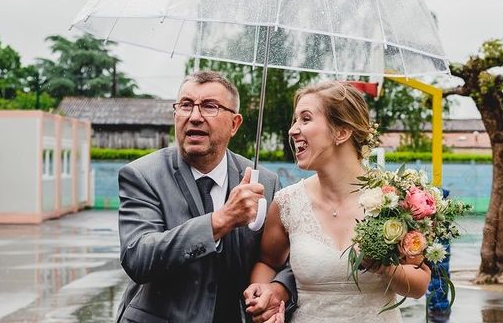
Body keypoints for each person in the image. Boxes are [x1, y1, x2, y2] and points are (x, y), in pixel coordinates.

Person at [116, 70, 296, 323]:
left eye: (210, 106)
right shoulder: (142, 175)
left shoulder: (265, 182)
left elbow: (287, 259)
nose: (195, 116)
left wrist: (278, 290)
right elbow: (138, 258)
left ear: (235, 124)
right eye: (186, 105)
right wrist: (220, 221)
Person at [244, 81, 431, 323]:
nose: (292, 130)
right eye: (295, 120)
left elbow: (418, 287)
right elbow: (267, 262)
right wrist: (264, 292)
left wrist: (383, 267)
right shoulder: (287, 202)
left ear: (341, 132)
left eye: (306, 119)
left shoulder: (397, 198)